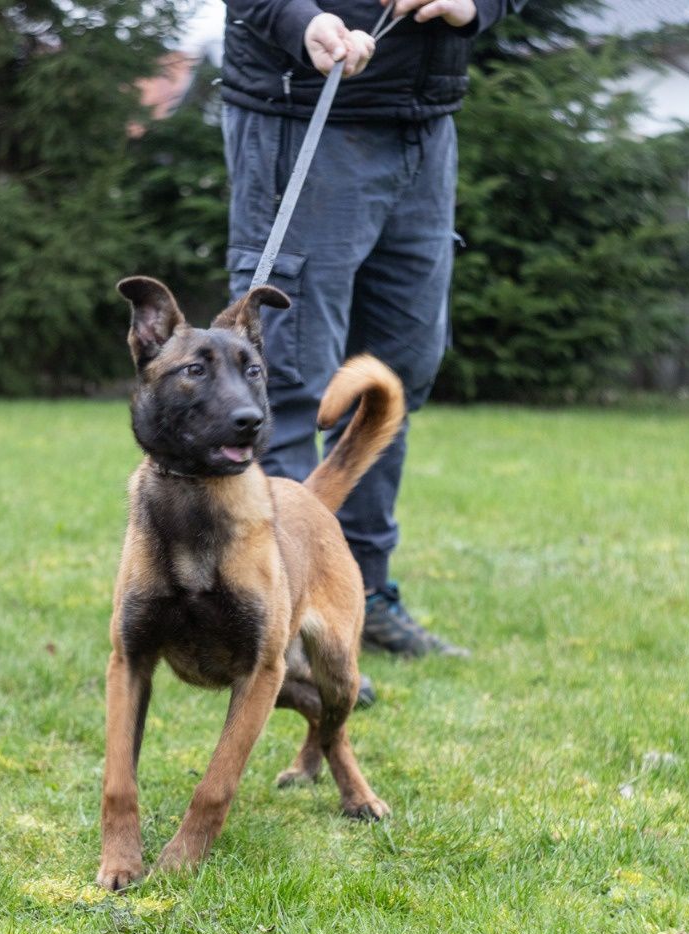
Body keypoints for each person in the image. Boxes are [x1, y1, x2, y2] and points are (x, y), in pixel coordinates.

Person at [220, 0, 518, 659]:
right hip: (305, 113)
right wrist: (303, 23)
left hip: (424, 125)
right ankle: (280, 622)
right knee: (289, 380)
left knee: (395, 377)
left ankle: (361, 597)